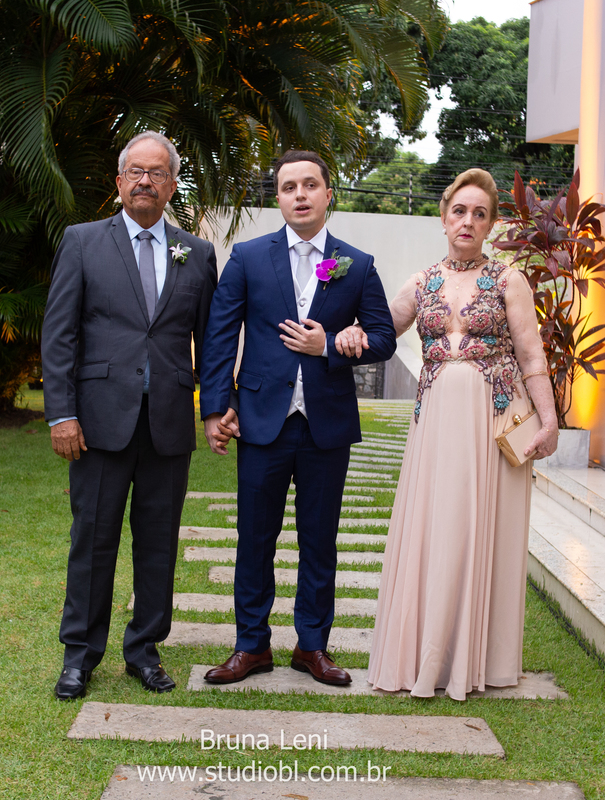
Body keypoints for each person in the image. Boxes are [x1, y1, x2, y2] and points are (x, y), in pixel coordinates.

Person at [335, 168, 559, 700]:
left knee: (486, 531)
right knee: (437, 527)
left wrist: (550, 420)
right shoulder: (422, 282)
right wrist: (351, 331)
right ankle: (427, 653)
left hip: (493, 420)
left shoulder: (509, 280)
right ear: (443, 218)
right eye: (460, 211)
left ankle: (478, 659)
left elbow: (531, 354)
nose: (468, 221)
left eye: (480, 214)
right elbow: (385, 327)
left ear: (490, 224)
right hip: (436, 424)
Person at [199, 150, 396, 687]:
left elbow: (383, 337)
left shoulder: (357, 263)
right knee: (253, 538)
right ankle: (251, 645)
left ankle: (312, 646)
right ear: (279, 198)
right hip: (260, 420)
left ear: (329, 193)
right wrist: (215, 407)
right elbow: (220, 336)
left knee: (319, 539)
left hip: (325, 425)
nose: (300, 195)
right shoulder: (248, 257)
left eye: (310, 184)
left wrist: (329, 344)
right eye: (289, 187)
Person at [41, 131, 218, 700]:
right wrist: (61, 414)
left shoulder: (197, 253)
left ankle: (144, 649)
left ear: (171, 185)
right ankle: (79, 655)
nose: (145, 181)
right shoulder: (83, 242)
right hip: (97, 423)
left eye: (157, 173)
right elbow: (59, 334)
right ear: (119, 182)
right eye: (136, 172)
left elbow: (210, 342)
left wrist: (215, 409)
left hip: (168, 423)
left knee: (159, 543)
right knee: (92, 540)